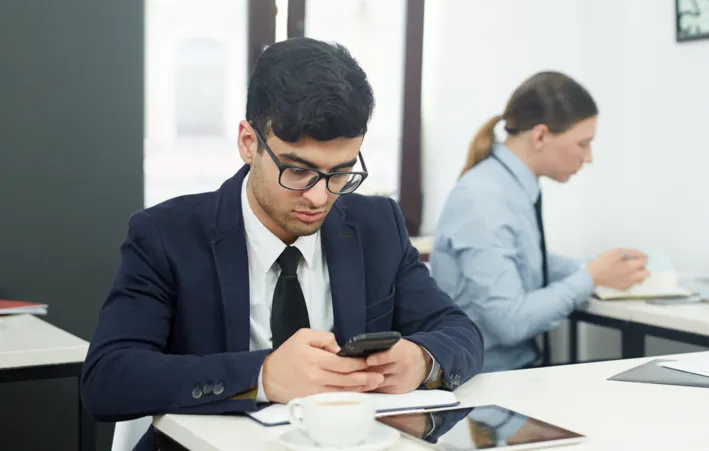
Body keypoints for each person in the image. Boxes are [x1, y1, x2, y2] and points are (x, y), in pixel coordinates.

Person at [82, 38, 484, 450]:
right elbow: (107, 378)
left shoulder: (377, 225)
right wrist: (264, 375)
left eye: (341, 172)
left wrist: (421, 359)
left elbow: (461, 332)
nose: (319, 196)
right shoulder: (167, 234)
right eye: (297, 171)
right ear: (248, 143)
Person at [429, 71, 649, 372]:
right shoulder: (483, 199)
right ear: (541, 136)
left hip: (516, 371)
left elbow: (525, 261)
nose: (589, 158)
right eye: (582, 144)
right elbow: (510, 321)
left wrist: (595, 268)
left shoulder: (509, 186)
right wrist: (590, 278)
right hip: (487, 381)